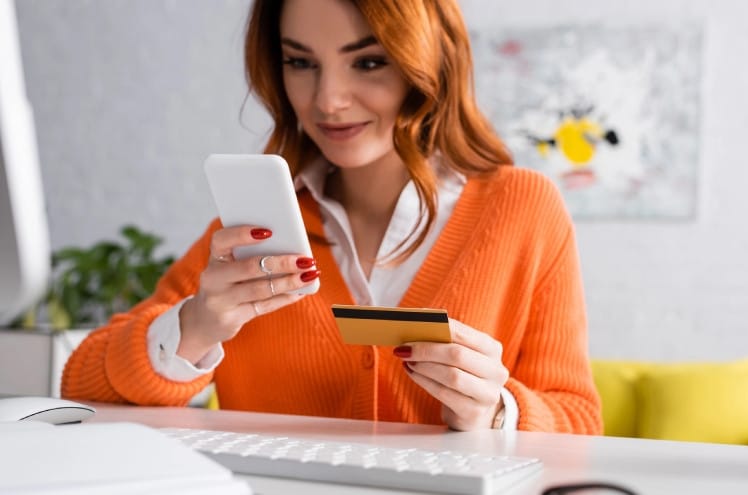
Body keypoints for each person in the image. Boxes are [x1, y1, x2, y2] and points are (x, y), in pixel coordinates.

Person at [62, 0, 603, 434]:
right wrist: (196, 327)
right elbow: (80, 381)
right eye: (301, 62)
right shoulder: (258, 227)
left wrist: (498, 410)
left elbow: (579, 422)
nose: (328, 100)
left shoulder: (523, 209)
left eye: (368, 61)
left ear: (428, 60)